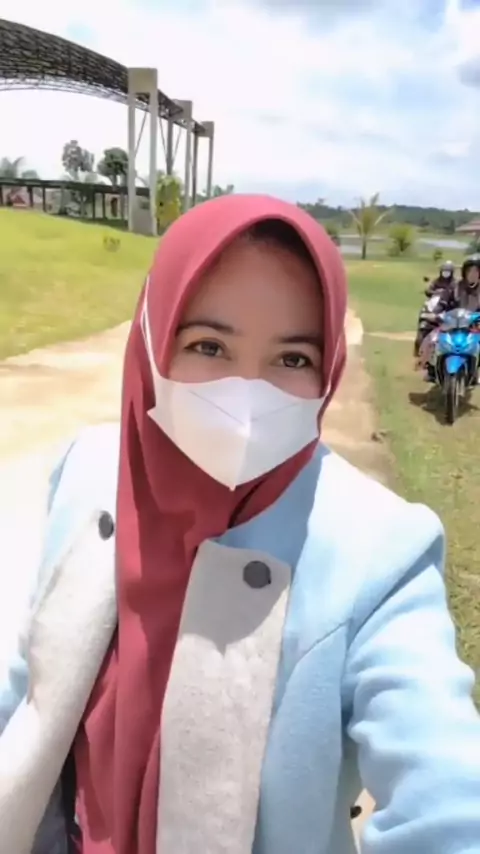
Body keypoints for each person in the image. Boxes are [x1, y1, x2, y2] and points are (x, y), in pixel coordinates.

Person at [1, 195, 479, 854]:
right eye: (209, 346)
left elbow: (448, 798)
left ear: (329, 368)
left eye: (293, 359)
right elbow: (27, 672)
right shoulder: (90, 471)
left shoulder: (379, 552)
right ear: (152, 341)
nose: (247, 395)